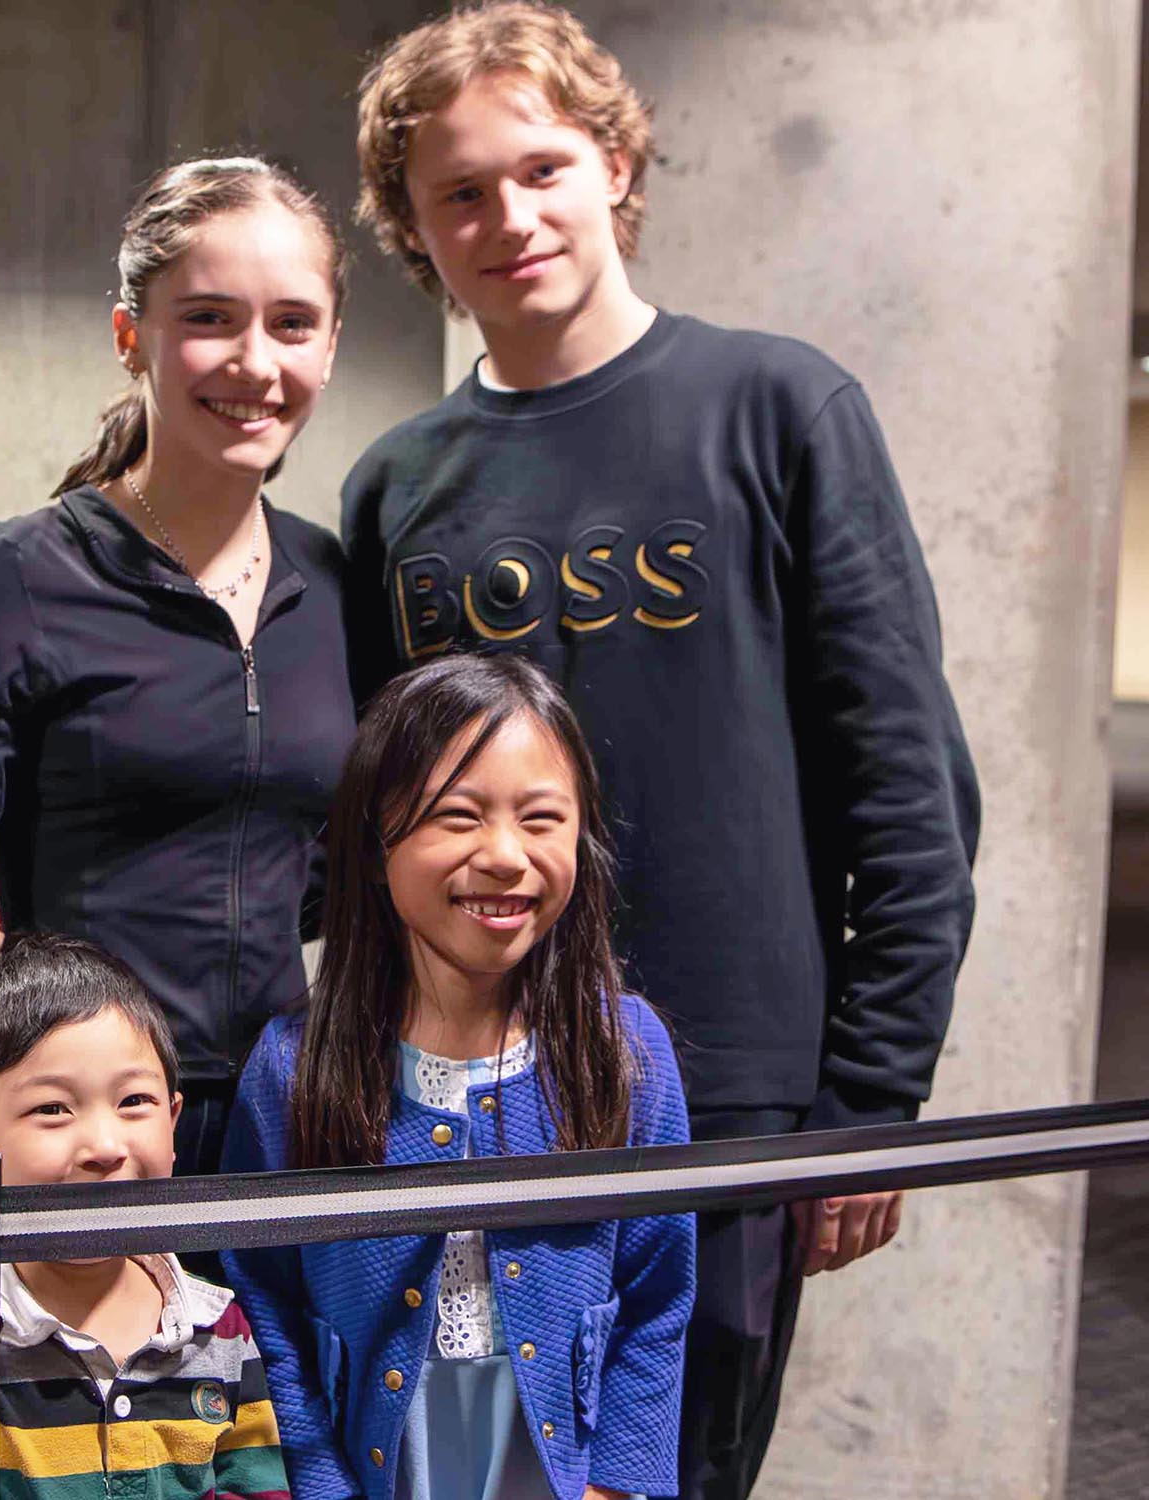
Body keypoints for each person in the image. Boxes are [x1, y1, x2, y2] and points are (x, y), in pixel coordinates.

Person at [339, 6, 980, 1498]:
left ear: (616, 165)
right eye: (461, 193)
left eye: (541, 169)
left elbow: (908, 787)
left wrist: (872, 1100)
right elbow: (366, 822)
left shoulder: (779, 408)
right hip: (458, 1087)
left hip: (728, 1091)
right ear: (414, 229)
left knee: (670, 1477)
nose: (510, 218)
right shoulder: (395, 485)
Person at [0, 155, 356, 1480]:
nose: (255, 361)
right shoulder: (16, 578)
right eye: (209, 318)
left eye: (292, 323)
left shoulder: (335, 583)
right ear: (132, 336)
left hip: (283, 1141)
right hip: (79, 1151)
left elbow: (327, 875)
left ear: (332, 340)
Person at [221, 653, 696, 1500]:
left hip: (558, 1468)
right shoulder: (292, 1065)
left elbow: (658, 1297)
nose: (506, 855)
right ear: (376, 845)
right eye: (458, 816)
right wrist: (321, 1486)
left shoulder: (627, 1049)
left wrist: (616, 1487)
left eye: (541, 818)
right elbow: (266, 1310)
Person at [0, 934, 291, 1499]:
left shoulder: (220, 1330)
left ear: (174, 1119)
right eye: (52, 1108)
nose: (106, 1146)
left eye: (134, 1101)